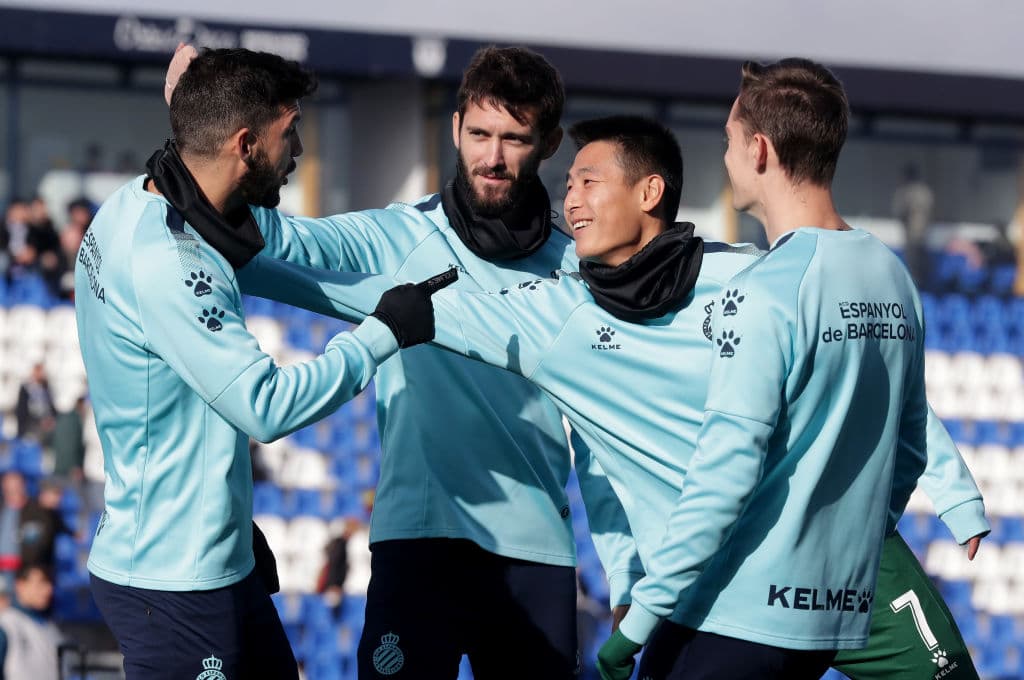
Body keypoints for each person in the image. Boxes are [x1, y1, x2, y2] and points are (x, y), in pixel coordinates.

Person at [240, 114, 985, 679]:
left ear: (650, 192)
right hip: (720, 584)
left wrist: (953, 493)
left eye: (587, 181)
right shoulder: (560, 318)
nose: (570, 199)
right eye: (568, 184)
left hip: (841, 550)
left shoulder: (747, 276)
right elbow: (377, 295)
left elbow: (871, 370)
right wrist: (205, 203)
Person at [168, 43, 595, 679]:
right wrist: (193, 125)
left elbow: (604, 430)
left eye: (514, 137)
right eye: (479, 133)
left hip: (536, 552)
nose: (493, 157)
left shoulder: (577, 268)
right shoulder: (396, 236)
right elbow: (268, 234)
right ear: (454, 129)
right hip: (417, 543)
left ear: (551, 142)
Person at [77, 48, 448, 680]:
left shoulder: (132, 203)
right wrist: (381, 334)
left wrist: (191, 103)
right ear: (245, 144)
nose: (300, 148)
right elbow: (264, 406)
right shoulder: (173, 262)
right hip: (176, 584)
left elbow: (207, 175)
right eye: (290, 131)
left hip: (213, 561)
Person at [589, 57, 932, 680]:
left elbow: (722, 480)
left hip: (734, 617)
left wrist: (635, 627)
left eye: (728, 142)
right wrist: (836, 555)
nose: (724, 159)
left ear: (761, 150)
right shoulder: (893, 276)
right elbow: (909, 450)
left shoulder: (764, 289)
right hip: (827, 620)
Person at [0, 565, 62, 680]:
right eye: (41, 583)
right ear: (20, 586)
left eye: (49, 583)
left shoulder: (51, 627)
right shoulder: (7, 623)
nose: (48, 589)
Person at [892, 163, 934, 285]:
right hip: (924, 232)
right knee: (921, 262)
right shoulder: (925, 191)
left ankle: (915, 285)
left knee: (913, 264)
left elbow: (899, 210)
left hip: (911, 232)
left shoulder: (906, 191)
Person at [14, 364, 56, 444]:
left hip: (45, 427)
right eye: (37, 371)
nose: (40, 374)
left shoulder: (46, 387)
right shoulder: (26, 388)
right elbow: (21, 411)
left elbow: (51, 406)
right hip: (31, 427)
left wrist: (50, 419)